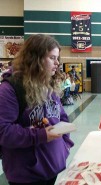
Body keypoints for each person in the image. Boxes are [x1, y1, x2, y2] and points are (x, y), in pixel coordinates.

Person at [0, 34, 74, 184]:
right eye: (52, 58)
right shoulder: (10, 89)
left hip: (52, 168)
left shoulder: (48, 85)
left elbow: (62, 117)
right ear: (36, 58)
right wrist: (40, 135)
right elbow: (3, 131)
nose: (57, 63)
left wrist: (65, 146)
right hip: (26, 175)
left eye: (57, 58)